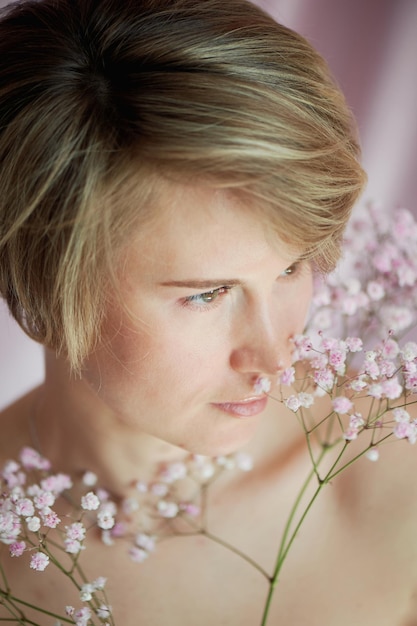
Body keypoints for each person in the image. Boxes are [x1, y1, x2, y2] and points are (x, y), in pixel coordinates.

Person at [0, 0, 416, 624]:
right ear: (41, 279)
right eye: (205, 293)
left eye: (291, 268)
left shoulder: (397, 472)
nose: (277, 356)